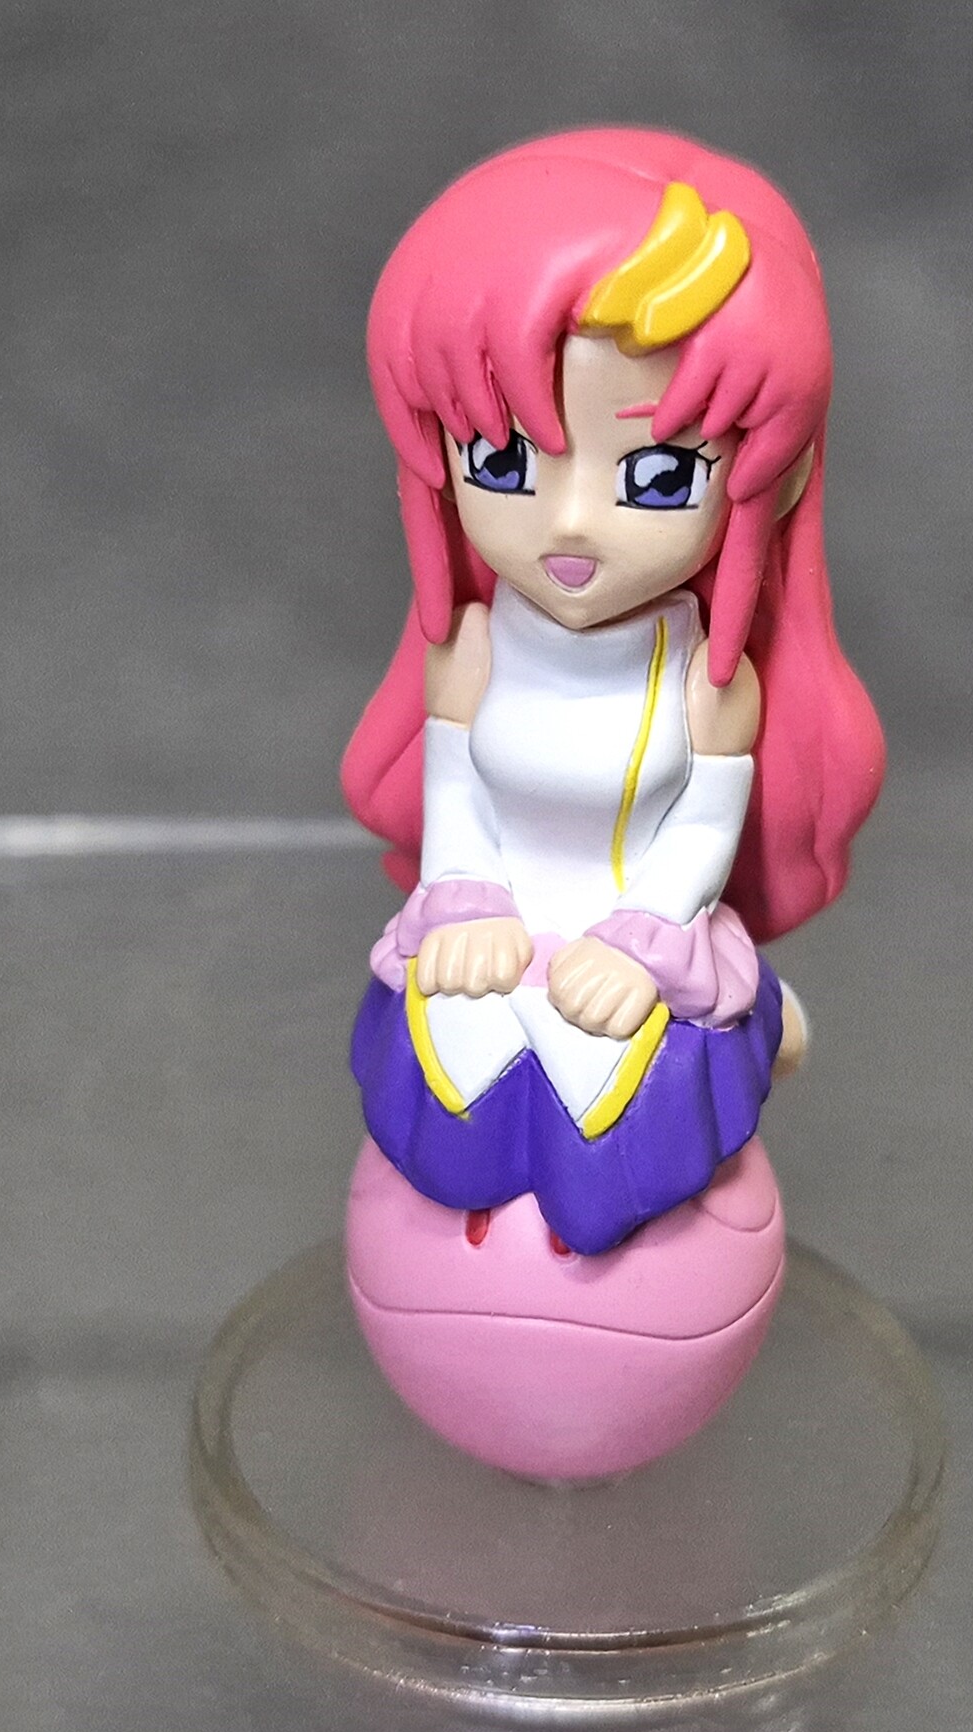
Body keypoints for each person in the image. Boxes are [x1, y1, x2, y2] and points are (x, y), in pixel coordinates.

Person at [341, 127, 884, 1259]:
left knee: (616, 1148)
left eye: (657, 475)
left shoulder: (708, 681)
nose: (573, 523)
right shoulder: (472, 647)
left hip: (638, 941)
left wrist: (643, 943)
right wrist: (467, 898)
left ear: (773, 477)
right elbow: (458, 796)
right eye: (504, 463)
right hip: (490, 931)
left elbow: (701, 834)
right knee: (447, 1106)